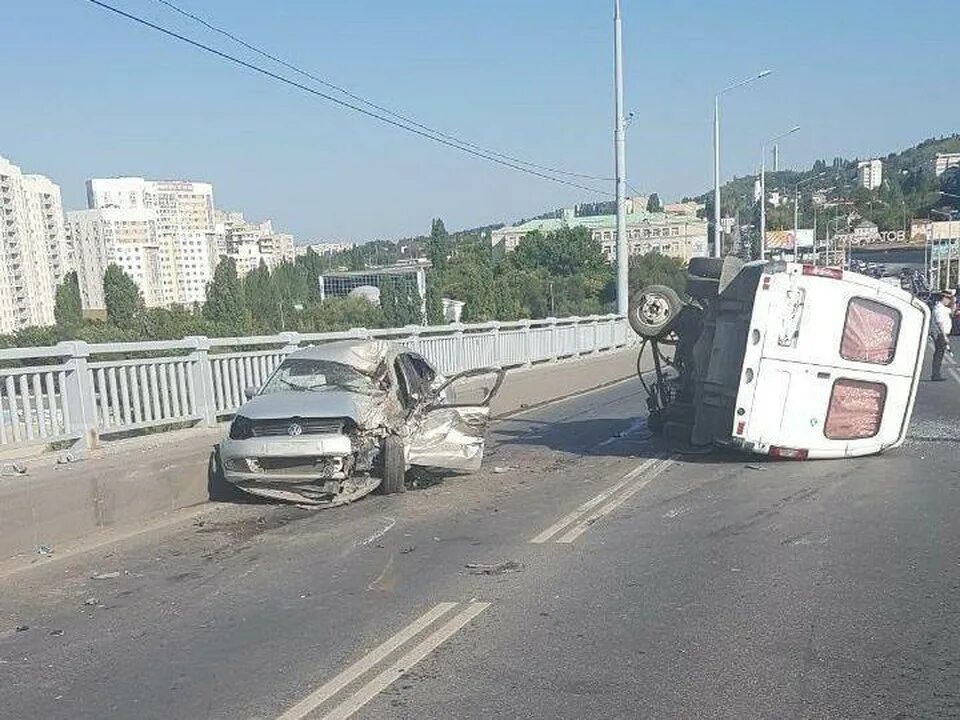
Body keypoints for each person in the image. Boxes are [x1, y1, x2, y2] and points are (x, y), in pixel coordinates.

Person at [931, 292, 953, 381]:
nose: (949, 301)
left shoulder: (943, 308)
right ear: (943, 298)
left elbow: (952, 310)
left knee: (940, 354)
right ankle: (935, 375)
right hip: (940, 334)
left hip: (942, 334)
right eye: (948, 298)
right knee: (938, 355)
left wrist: (953, 300)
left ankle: (936, 374)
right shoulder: (938, 309)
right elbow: (940, 323)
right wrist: (944, 336)